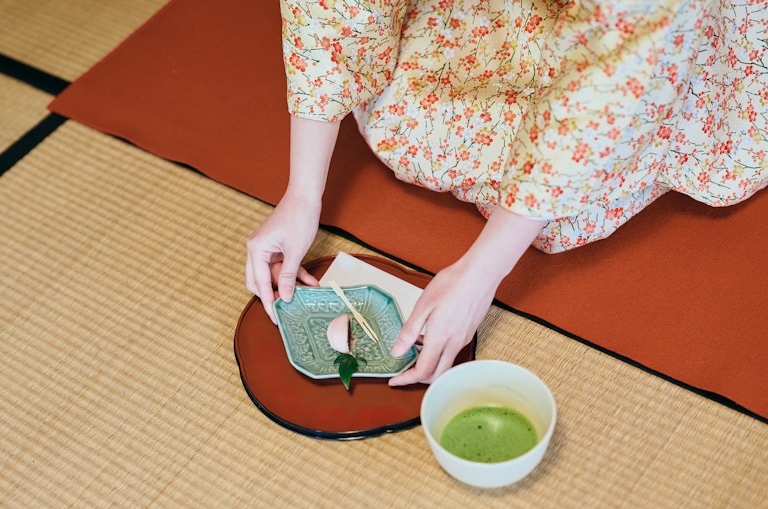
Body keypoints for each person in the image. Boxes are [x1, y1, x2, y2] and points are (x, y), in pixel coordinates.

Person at [247, 0, 767, 386]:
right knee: (400, 118)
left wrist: (483, 270)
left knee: (566, 212)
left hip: (649, 32)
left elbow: (614, 69)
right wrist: (302, 193)